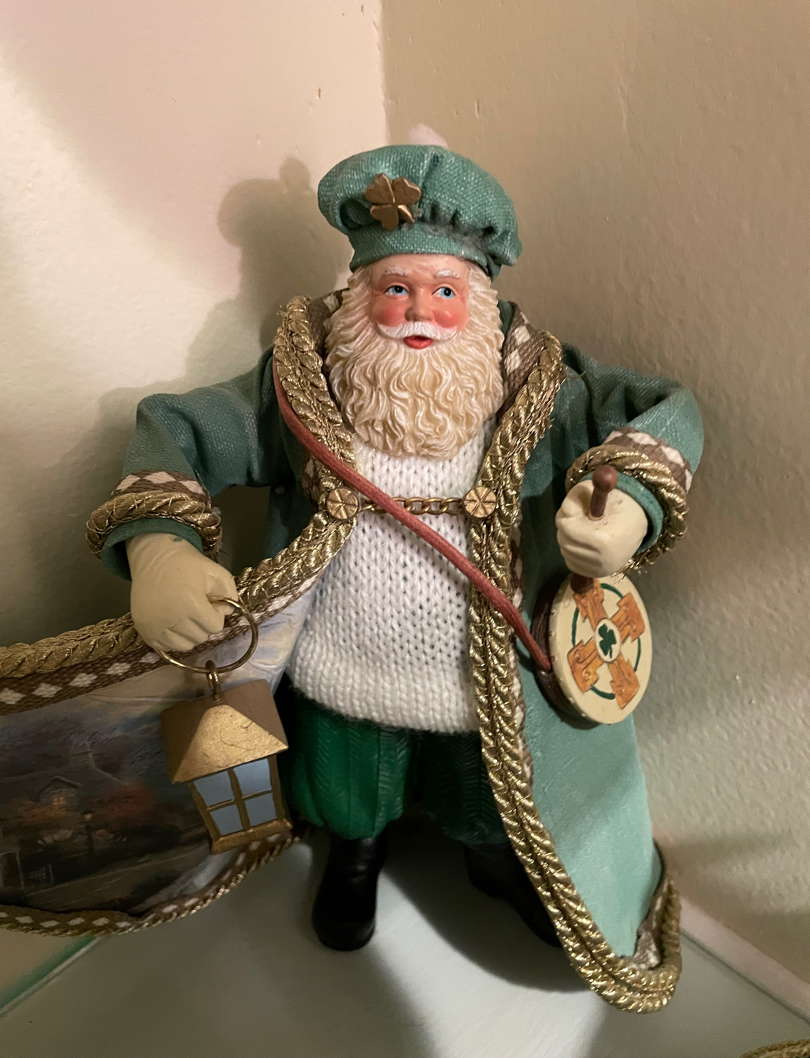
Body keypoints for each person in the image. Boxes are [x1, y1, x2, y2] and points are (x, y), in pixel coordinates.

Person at [91, 144, 702, 966]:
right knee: (347, 791)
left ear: (482, 304)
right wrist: (159, 547)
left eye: (445, 291)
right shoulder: (303, 383)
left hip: (484, 687)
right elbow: (180, 429)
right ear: (358, 297)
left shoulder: (541, 389)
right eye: (396, 288)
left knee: (486, 798)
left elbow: (666, 410)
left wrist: (629, 500)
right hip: (340, 667)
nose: (419, 313)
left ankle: (492, 861)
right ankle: (356, 856)